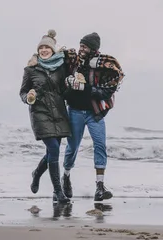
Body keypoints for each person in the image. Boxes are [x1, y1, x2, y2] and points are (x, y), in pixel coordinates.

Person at [60, 32, 125, 202]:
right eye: (81, 45)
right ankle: (65, 177)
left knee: (100, 145)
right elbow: (59, 69)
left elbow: (108, 90)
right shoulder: (73, 62)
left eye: (85, 46)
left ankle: (100, 186)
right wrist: (69, 84)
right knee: (72, 147)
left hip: (95, 113)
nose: (81, 49)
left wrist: (86, 89)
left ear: (93, 49)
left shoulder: (104, 65)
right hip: (74, 111)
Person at [20, 30, 71, 203]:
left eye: (47, 47)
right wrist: (28, 98)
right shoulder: (31, 69)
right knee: (54, 149)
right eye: (41, 47)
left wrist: (72, 86)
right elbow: (23, 92)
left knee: (52, 151)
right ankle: (58, 191)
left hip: (59, 112)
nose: (43, 50)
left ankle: (36, 174)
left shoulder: (61, 67)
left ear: (52, 49)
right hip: (40, 113)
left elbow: (64, 91)